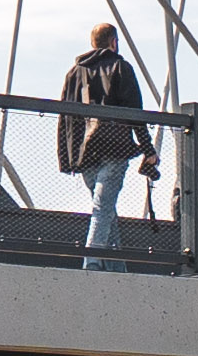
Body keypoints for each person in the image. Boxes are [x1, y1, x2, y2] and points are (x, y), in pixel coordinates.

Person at [54, 21, 152, 258]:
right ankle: (92, 264)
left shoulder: (73, 73)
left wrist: (67, 159)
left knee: (105, 209)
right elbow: (134, 112)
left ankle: (116, 267)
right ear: (114, 42)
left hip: (84, 152)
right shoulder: (121, 67)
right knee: (102, 208)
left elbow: (65, 119)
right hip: (114, 148)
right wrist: (148, 149)